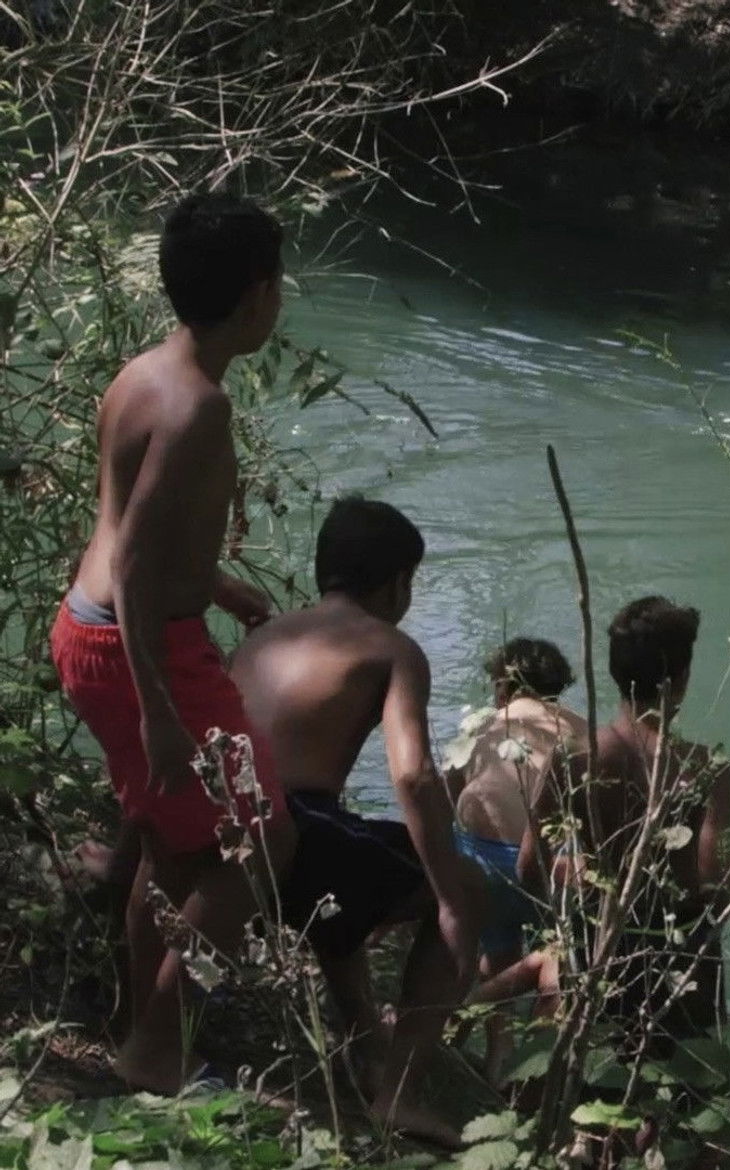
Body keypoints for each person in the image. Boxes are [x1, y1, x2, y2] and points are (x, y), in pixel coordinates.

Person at [50, 193, 298, 1094]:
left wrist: (219, 585)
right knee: (260, 842)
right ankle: (159, 1050)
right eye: (279, 284)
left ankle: (134, 1033)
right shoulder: (198, 409)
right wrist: (159, 708)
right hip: (141, 646)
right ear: (256, 296)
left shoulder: (146, 372)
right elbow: (143, 562)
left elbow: (126, 527)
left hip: (95, 627)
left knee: (175, 846)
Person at [230, 497, 480, 1147]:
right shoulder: (391, 647)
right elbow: (413, 776)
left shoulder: (265, 634)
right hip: (299, 830)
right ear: (398, 581)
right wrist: (450, 895)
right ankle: (398, 1094)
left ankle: (367, 1042)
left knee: (351, 856)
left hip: (231, 834)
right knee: (466, 887)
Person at [516, 596, 730, 1047]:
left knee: (596, 1085)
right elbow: (716, 886)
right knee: (687, 1096)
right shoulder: (706, 769)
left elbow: (527, 868)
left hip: (597, 948)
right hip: (679, 959)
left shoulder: (573, 759)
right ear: (682, 679)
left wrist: (566, 916)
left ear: (615, 673)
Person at [448, 637, 585, 1084]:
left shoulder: (481, 726)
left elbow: (450, 794)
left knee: (499, 948)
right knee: (559, 954)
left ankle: (497, 1052)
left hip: (486, 861)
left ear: (503, 685)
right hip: (554, 864)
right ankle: (542, 1064)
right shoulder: (580, 729)